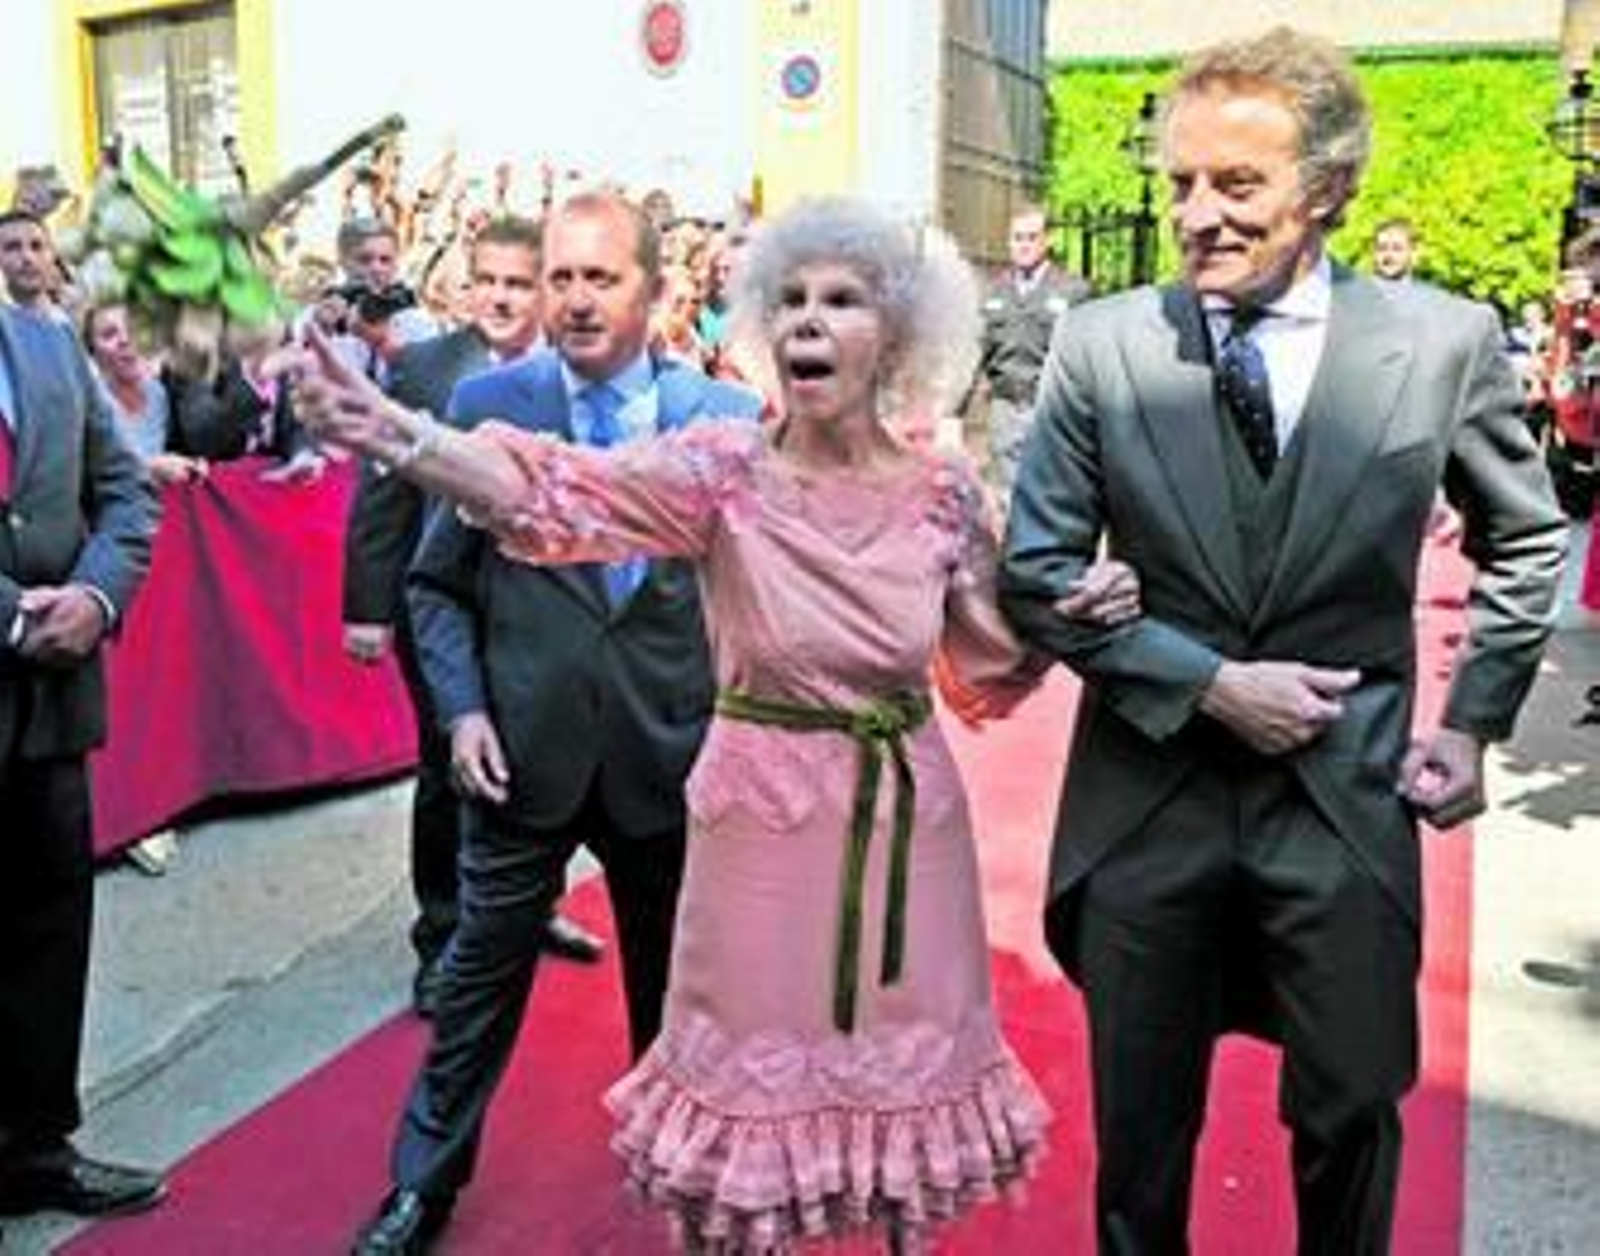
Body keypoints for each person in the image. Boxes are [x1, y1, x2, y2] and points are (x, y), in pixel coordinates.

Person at [286, 195, 1143, 1253]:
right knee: (739, 1066)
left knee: (897, 1052)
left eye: (841, 300)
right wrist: (399, 432)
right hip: (755, 814)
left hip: (903, 817)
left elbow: (990, 655)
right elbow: (557, 487)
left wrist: (1068, 610)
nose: (808, 322)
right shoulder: (723, 468)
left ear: (900, 337)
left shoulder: (942, 491)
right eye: (788, 300)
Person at [998, 28, 1568, 1255]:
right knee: (1140, 1145)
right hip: (1146, 808)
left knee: (1353, 1114)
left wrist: (1472, 724)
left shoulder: (1442, 343)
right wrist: (1206, 683)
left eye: (1236, 185)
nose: (1197, 213)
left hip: (1343, 803)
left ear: (1328, 188)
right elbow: (1036, 575)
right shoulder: (1102, 347)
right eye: (1179, 183)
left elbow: (1528, 539)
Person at [310, 190, 763, 1253]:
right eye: (559, 276)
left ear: (655, 288)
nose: (572, 299)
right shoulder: (486, 402)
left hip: (672, 758)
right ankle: (422, 1183)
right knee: (474, 982)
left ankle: (686, 1175)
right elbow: (435, 584)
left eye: (598, 277)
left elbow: (766, 604)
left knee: (680, 991)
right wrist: (460, 710)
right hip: (519, 756)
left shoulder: (728, 421)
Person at [340, 214, 603, 1022]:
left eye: (518, 282)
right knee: (448, 771)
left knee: (540, 764)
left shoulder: (577, 373)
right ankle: (442, 938)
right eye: (487, 279)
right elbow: (383, 490)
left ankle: (529, 908)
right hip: (440, 608)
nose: (499, 296)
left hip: (540, 615)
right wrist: (366, 609)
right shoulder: (422, 366)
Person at [0, 301, 165, 1222]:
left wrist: (99, 596)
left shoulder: (49, 344)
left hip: (52, 711)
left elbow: (128, 491)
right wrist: (17, 617)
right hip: (25, 652)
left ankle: (33, 1150)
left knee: (49, 931)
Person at [972, 203, 1091, 498]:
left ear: (1047, 240)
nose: (1023, 246)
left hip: (1050, 410)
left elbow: (1089, 359)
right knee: (1006, 496)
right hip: (1005, 409)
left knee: (1049, 494)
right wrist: (953, 413)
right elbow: (976, 353)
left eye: (1031, 237)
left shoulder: (1073, 291)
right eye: (1017, 238)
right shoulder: (993, 293)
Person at [81, 302, 207, 488]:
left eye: (133, 329)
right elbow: (86, 478)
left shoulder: (159, 393)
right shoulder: (87, 404)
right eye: (109, 334)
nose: (125, 340)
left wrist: (191, 466)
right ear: (92, 351)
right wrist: (148, 468)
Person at [1371, 217, 1419, 285]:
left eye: (1397, 248)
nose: (1388, 255)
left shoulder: (1431, 295)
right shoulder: (1354, 292)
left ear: (1413, 253)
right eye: (1382, 248)